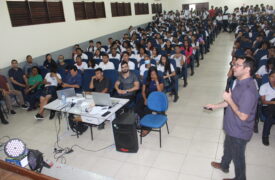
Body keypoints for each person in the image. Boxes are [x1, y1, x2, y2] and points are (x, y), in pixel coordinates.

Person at [205, 57, 258, 180]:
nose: (233, 67)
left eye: (237, 65)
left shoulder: (248, 91)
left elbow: (243, 116)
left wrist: (229, 99)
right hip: (231, 127)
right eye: (234, 64)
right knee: (227, 147)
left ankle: (240, 178)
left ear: (247, 69)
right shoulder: (239, 82)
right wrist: (215, 106)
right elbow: (232, 101)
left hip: (239, 131)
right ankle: (224, 165)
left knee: (238, 157)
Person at [135, 66, 164, 137]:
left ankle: (146, 128)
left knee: (147, 110)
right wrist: (145, 99)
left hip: (156, 98)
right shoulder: (146, 79)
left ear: (156, 73)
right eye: (151, 74)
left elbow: (160, 92)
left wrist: (156, 81)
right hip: (147, 97)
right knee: (137, 108)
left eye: (154, 74)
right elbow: (143, 91)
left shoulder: (160, 79)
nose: (153, 75)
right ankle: (143, 122)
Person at [259, 70, 275, 146]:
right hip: (266, 107)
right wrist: (273, 102)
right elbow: (263, 102)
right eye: (272, 77)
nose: (274, 79)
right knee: (270, 116)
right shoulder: (264, 87)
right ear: (269, 77)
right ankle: (265, 135)